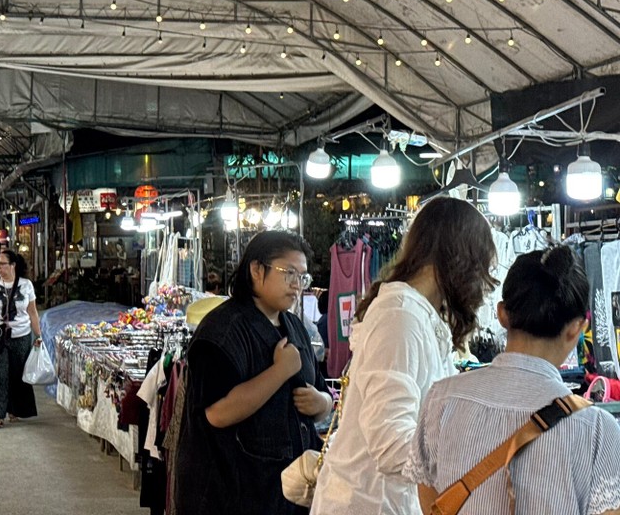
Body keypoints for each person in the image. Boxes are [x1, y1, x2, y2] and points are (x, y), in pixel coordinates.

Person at [310, 197, 497, 515]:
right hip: (369, 504)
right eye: (480, 265)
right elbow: (390, 441)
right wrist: (467, 458)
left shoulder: (417, 313)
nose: (482, 281)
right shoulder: (400, 316)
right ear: (460, 258)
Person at [406, 246, 620, 515]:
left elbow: (432, 504)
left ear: (502, 314)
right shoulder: (598, 430)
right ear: (577, 328)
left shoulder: (442, 400)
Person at [174, 231, 332, 515]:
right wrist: (280, 371)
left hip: (288, 495)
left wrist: (322, 402)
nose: (297, 285)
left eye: (303, 277)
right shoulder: (221, 331)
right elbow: (217, 413)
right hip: (233, 496)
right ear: (257, 270)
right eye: (289, 273)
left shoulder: (295, 327)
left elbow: (320, 391)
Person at [0, 249, 42, 429]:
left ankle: (14, 409)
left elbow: (32, 312)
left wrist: (39, 335)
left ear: (13, 265)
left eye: (2, 264)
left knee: (18, 374)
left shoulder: (26, 285)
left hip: (21, 334)